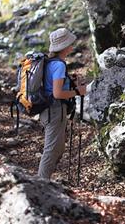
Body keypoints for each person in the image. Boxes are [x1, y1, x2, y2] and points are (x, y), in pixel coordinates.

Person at [37, 28, 87, 180]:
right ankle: (41, 184)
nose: (72, 45)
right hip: (55, 110)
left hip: (48, 110)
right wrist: (80, 91)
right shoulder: (59, 65)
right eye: (70, 43)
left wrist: (69, 81)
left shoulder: (50, 62)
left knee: (57, 149)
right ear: (65, 46)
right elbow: (57, 93)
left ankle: (44, 182)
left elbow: (52, 85)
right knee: (51, 150)